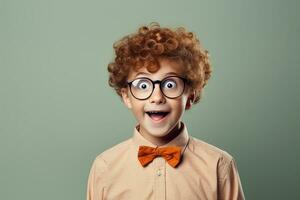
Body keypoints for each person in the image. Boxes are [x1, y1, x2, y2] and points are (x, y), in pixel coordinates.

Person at [86, 22, 245, 200]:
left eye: (170, 85)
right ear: (127, 96)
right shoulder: (105, 167)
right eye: (143, 85)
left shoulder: (219, 165)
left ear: (190, 95)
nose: (157, 97)